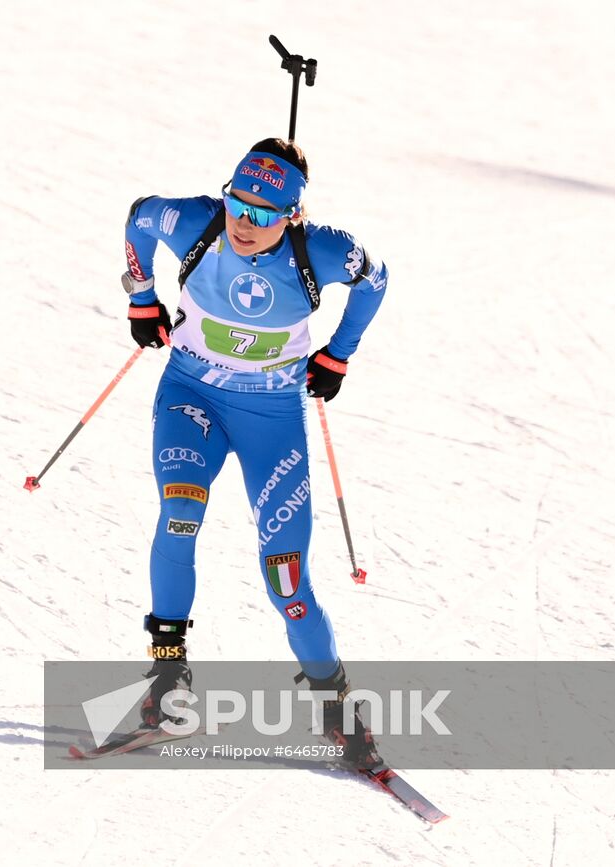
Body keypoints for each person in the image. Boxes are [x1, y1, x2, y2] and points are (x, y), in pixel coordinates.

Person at [121, 137, 388, 765]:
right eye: (239, 205)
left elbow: (375, 279)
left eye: (266, 215)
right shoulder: (194, 221)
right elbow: (137, 216)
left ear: (292, 216)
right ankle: (167, 681)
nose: (246, 224)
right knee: (180, 515)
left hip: (272, 418)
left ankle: (335, 702)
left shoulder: (318, 251)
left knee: (286, 572)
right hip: (192, 399)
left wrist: (340, 352)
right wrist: (140, 295)